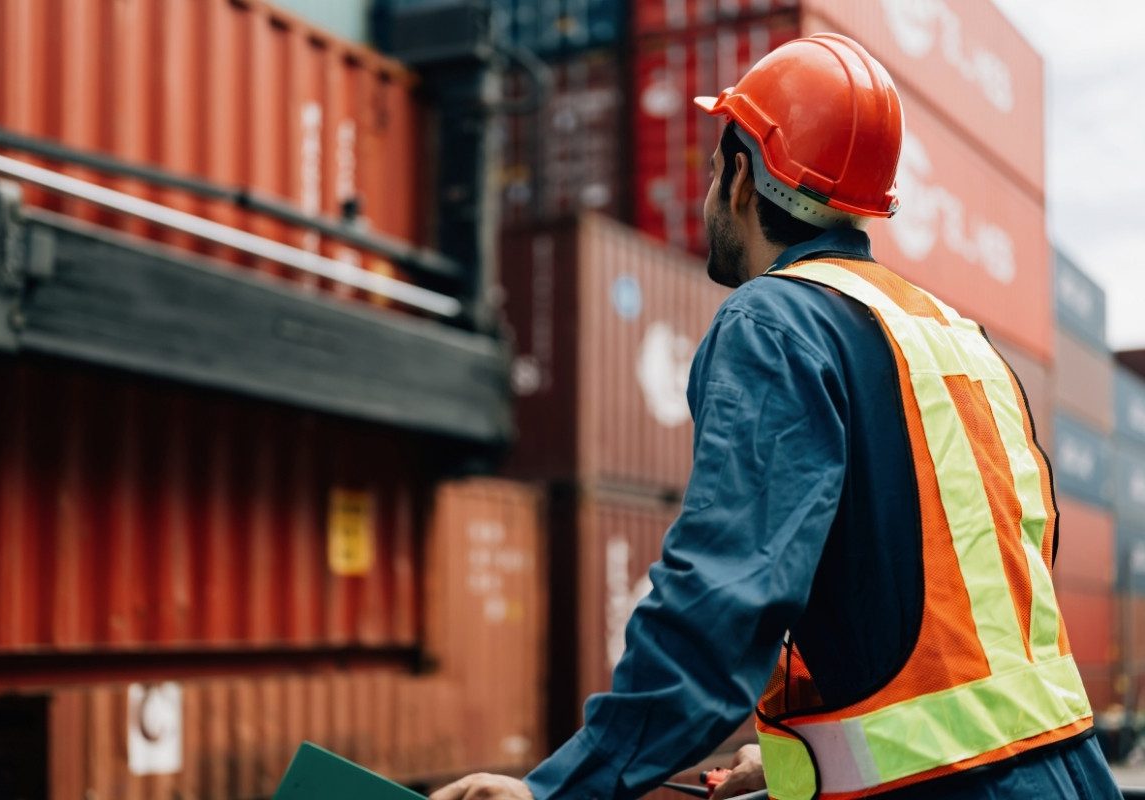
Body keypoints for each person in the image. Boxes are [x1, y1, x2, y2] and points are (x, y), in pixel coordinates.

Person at [430, 33, 1121, 800]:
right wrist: (808, 755)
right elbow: (965, 613)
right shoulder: (955, 335)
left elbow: (723, 602)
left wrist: (560, 788)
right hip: (1071, 774)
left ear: (740, 175)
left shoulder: (774, 324)